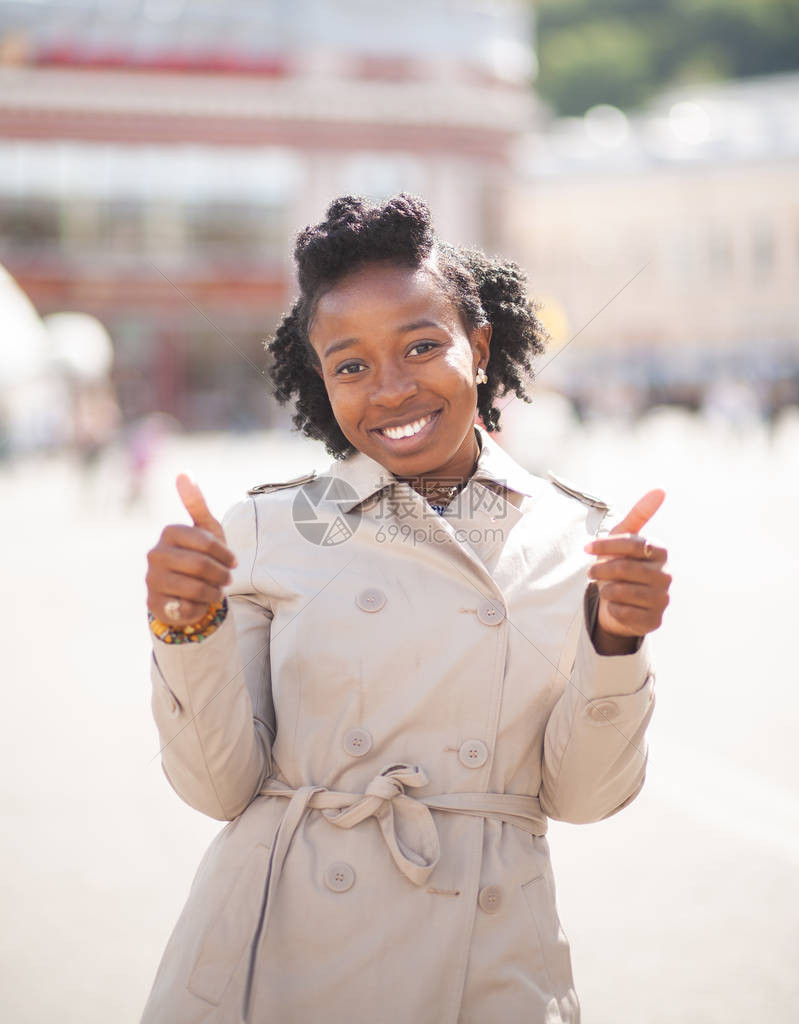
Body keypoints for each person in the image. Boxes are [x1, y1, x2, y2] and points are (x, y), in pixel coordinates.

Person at [142, 194, 671, 1024]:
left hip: (491, 961)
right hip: (279, 947)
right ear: (322, 379)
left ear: (481, 345)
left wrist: (616, 638)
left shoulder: (578, 537)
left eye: (423, 347)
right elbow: (217, 787)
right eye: (350, 365)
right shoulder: (263, 530)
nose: (390, 389)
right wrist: (187, 626)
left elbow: (584, 798)